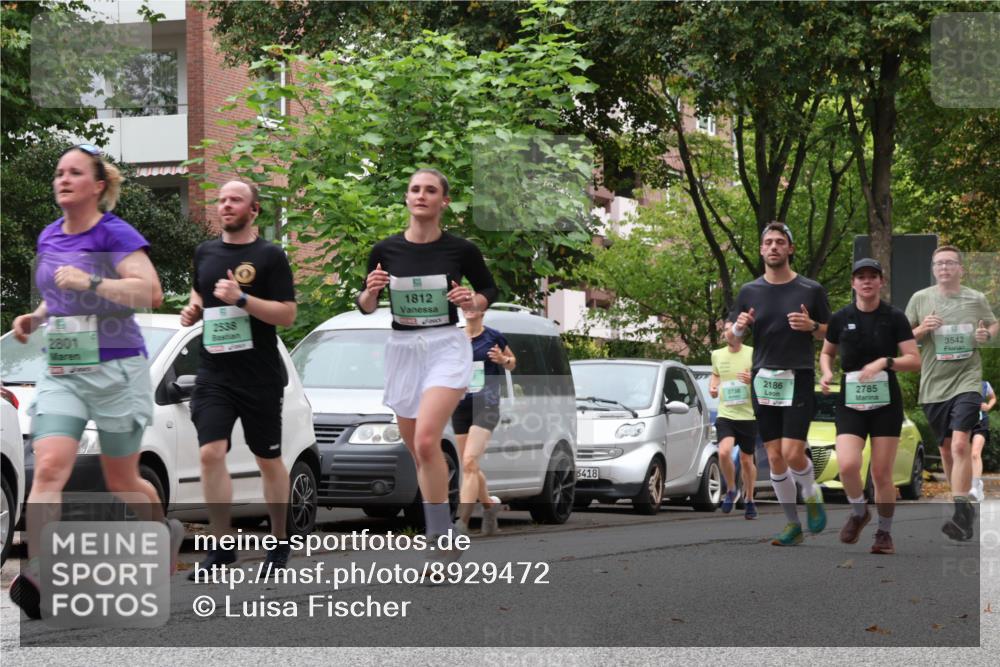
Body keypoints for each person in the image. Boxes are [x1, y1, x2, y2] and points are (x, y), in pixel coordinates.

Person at [9, 144, 183, 619]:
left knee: (122, 479)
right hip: (63, 369)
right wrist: (37, 316)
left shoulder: (114, 233)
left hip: (116, 370)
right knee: (48, 469)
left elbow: (150, 292)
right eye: (58, 172)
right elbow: (57, 294)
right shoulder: (49, 235)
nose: (62, 179)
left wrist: (91, 282)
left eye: (74, 172)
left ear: (98, 185)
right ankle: (40, 572)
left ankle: (162, 532)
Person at [357, 168, 498, 563]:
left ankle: (437, 538)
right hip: (403, 349)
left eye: (430, 190)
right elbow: (366, 306)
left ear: (443, 201)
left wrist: (473, 302)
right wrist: (370, 292)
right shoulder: (385, 249)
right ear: (406, 198)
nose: (421, 195)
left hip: (445, 347)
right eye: (415, 189)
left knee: (425, 440)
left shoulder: (460, 250)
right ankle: (446, 527)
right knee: (419, 453)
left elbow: (488, 289)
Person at [180, 180, 297, 580]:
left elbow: (286, 315)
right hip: (214, 372)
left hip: (259, 376)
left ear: (254, 210)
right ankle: (221, 547)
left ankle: (280, 541)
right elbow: (199, 292)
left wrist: (242, 299)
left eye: (235, 200)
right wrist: (193, 309)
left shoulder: (270, 256)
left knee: (268, 460)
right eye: (222, 199)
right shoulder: (206, 252)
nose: (226, 205)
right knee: (210, 453)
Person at [727, 222, 831, 546]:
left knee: (792, 451)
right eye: (768, 242)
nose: (773, 247)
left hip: (797, 375)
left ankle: (812, 495)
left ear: (790, 248)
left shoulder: (810, 290)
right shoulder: (749, 292)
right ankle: (792, 524)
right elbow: (730, 335)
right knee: (773, 457)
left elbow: (831, 331)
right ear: (761, 250)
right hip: (764, 378)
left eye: (780, 242)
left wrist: (812, 324)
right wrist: (740, 327)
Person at [819, 259, 920, 555]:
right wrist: (826, 372)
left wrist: (884, 362)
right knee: (848, 465)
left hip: (885, 402)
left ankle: (884, 534)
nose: (866, 282)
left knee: (881, 473)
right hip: (851, 400)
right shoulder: (841, 318)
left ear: (881, 282)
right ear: (853, 283)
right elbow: (827, 353)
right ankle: (859, 510)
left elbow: (914, 361)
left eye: (872, 277)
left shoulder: (895, 317)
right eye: (860, 277)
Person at [905, 245, 997, 541]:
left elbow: (993, 325)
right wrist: (922, 329)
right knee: (946, 449)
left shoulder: (976, 298)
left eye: (950, 263)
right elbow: (902, 338)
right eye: (939, 264)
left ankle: (959, 511)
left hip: (967, 380)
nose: (944, 268)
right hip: (934, 384)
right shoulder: (920, 299)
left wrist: (986, 335)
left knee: (960, 445)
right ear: (934, 269)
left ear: (961, 268)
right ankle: (965, 508)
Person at [452, 305, 516, 535]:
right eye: (466, 306)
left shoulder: (493, 336)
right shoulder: (455, 338)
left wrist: (502, 359)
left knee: (469, 461)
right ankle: (489, 509)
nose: (469, 309)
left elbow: (512, 362)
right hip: (459, 405)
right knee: (470, 465)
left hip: (486, 404)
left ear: (482, 311)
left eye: (474, 306)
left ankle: (462, 522)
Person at [708, 340, 758, 519]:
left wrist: (752, 378)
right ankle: (730, 489)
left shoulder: (753, 352)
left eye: (733, 328)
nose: (729, 333)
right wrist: (712, 388)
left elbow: (764, 376)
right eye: (726, 329)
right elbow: (715, 375)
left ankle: (750, 499)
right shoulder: (717, 354)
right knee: (723, 452)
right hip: (726, 414)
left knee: (746, 460)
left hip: (748, 415)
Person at [969, 380, 995, 502]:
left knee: (975, 454)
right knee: (965, 458)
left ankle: (974, 488)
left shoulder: (985, 384)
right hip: (963, 423)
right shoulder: (959, 382)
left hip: (981, 423)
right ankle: (978, 483)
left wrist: (988, 406)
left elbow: (993, 397)